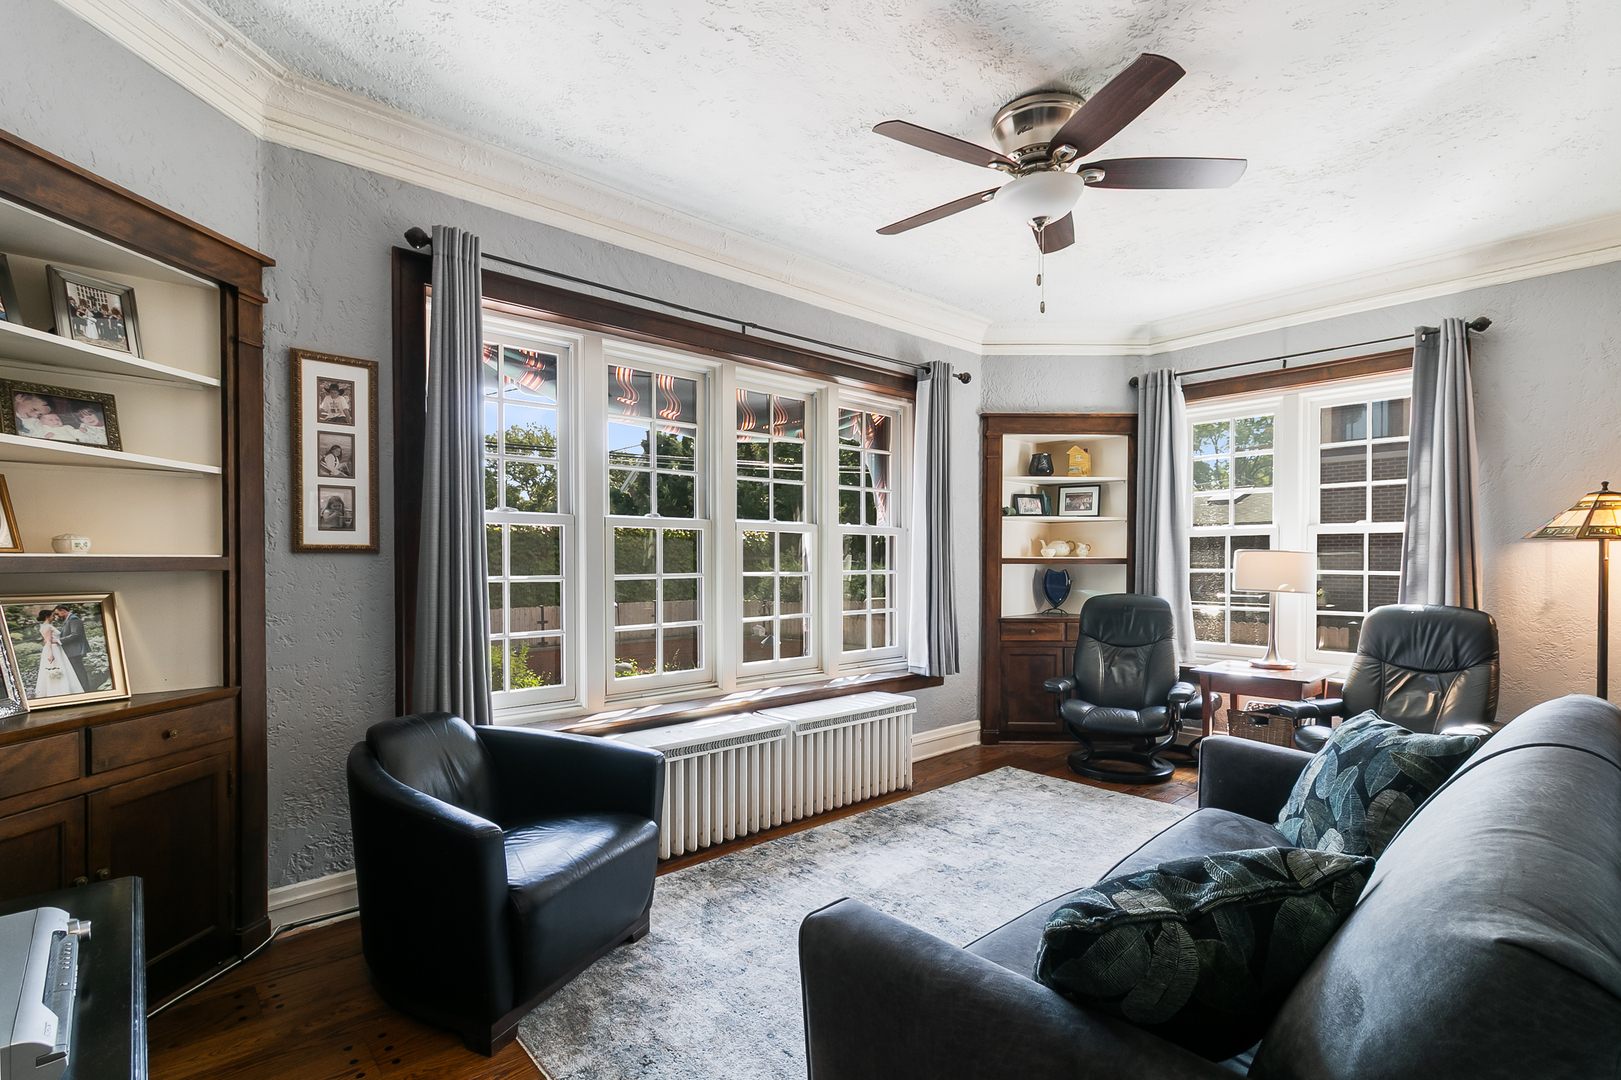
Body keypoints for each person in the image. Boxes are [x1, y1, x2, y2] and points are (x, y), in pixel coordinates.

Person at [33, 609, 84, 698]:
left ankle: (64, 689)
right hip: (53, 649)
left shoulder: (46, 626)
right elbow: (48, 641)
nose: (54, 617)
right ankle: (58, 690)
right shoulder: (47, 626)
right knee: (56, 668)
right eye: (52, 615)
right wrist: (51, 654)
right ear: (47, 616)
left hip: (57, 648)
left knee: (63, 668)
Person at [53, 604, 94, 692]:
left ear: (63, 611)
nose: (57, 616)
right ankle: (81, 689)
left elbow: (75, 634)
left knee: (79, 670)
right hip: (72, 650)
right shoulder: (67, 620)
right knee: (76, 670)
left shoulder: (73, 619)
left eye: (58, 614)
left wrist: (59, 640)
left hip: (76, 650)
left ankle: (86, 690)